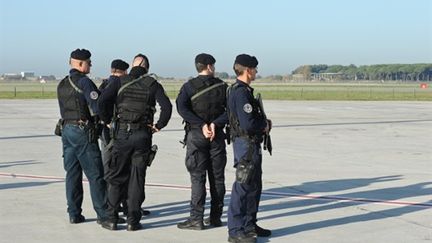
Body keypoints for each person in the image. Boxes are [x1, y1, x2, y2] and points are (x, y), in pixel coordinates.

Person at [98, 53, 172, 231]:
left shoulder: (119, 81)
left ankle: (112, 218)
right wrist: (158, 126)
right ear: (146, 68)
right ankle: (133, 220)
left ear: (132, 66)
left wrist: (107, 120)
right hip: (143, 135)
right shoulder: (152, 84)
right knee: (137, 179)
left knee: (116, 177)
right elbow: (167, 107)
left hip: (122, 134)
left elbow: (102, 102)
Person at [176, 53, 228, 230]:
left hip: (197, 135)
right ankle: (215, 217)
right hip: (217, 135)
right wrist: (215, 124)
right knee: (217, 179)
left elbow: (181, 108)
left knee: (198, 178)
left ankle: (196, 218)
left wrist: (200, 124)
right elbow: (231, 111)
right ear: (210, 67)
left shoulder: (189, 86)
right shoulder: (222, 86)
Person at [56, 48, 107, 224]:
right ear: (79, 63)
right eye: (88, 62)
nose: (91, 64)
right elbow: (97, 106)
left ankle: (74, 213)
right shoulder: (84, 82)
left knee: (72, 174)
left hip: (66, 130)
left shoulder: (62, 83)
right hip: (82, 131)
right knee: (95, 174)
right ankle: (104, 214)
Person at [226, 54, 272, 243]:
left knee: (254, 186)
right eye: (254, 69)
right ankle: (235, 230)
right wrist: (265, 125)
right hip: (246, 144)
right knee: (243, 186)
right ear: (247, 70)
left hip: (249, 144)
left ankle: (249, 224)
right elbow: (247, 123)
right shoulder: (241, 92)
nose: (256, 72)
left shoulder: (238, 90)